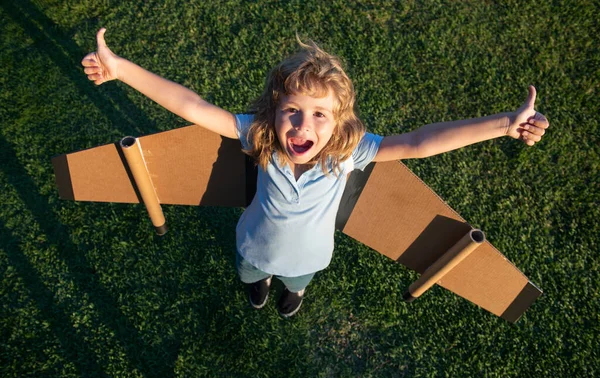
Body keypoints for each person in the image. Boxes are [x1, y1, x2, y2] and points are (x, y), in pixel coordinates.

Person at [82, 28, 549, 318]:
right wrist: (121, 69)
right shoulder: (260, 135)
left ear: (341, 122)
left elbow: (420, 144)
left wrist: (504, 124)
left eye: (320, 115)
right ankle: (260, 287)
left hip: (310, 260)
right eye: (293, 110)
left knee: (296, 284)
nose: (303, 125)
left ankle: (292, 294)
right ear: (274, 110)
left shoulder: (349, 152)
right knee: (252, 277)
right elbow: (192, 106)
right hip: (251, 247)